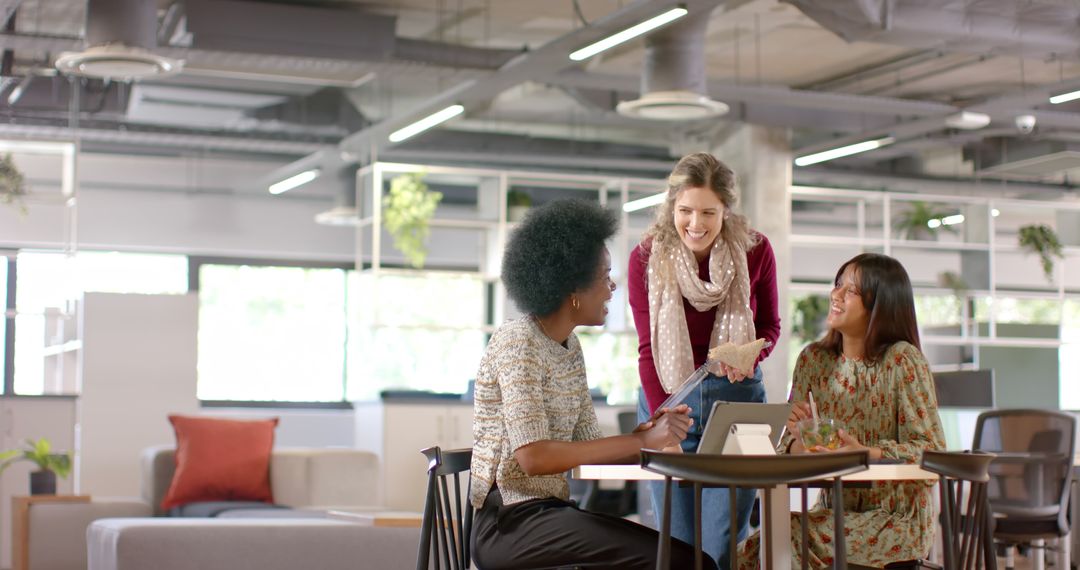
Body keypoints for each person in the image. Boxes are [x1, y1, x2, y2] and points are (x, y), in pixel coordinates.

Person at [470, 199, 717, 570]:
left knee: (689, 560)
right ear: (572, 287)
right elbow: (533, 457)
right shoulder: (518, 342)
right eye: (604, 276)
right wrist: (639, 443)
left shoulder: (570, 348)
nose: (612, 286)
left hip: (549, 515)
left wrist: (646, 435)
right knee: (684, 563)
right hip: (510, 524)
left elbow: (586, 446)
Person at [738, 253, 946, 569]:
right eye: (838, 285)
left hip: (898, 521)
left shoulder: (903, 361)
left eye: (850, 290)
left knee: (786, 538)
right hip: (834, 515)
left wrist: (865, 452)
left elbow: (931, 451)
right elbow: (784, 453)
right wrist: (799, 444)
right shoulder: (813, 361)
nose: (836, 295)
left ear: (880, 305)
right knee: (755, 547)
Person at [628, 152, 781, 566]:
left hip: (738, 400)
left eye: (708, 212)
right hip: (668, 398)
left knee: (725, 540)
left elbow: (770, 326)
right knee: (676, 543)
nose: (696, 224)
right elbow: (647, 349)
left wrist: (750, 353)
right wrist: (666, 424)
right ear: (671, 206)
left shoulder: (755, 250)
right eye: (685, 211)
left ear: (726, 210)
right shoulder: (646, 257)